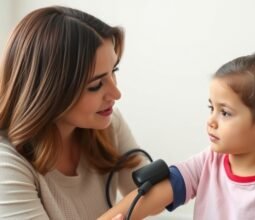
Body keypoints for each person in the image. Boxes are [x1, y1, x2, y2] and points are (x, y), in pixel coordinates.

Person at [100, 51, 255, 220]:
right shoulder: (209, 162)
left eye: (225, 113)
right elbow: (156, 194)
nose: (211, 121)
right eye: (212, 108)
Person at [0, 6, 146, 219]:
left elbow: (157, 192)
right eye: (96, 84)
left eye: (113, 71)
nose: (116, 93)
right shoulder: (6, 166)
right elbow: (148, 196)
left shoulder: (107, 123)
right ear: (49, 93)